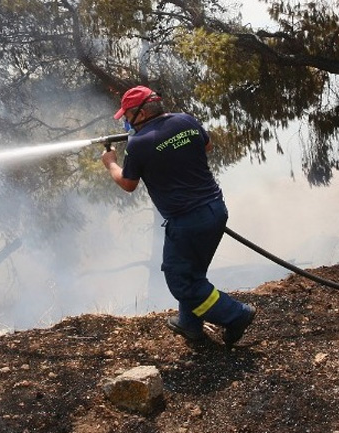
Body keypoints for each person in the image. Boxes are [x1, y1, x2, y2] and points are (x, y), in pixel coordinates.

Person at [101, 85, 256, 348]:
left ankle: (236, 315)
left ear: (140, 113)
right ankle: (190, 324)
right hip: (215, 210)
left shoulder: (139, 144)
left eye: (127, 114)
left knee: (181, 282)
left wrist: (111, 163)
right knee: (192, 274)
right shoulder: (186, 120)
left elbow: (128, 184)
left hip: (187, 222)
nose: (125, 120)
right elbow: (206, 146)